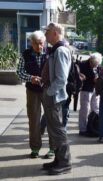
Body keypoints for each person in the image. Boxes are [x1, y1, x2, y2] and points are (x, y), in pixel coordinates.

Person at [16, 30, 54, 159]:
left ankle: (52, 148)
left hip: (48, 90)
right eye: (36, 43)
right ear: (31, 43)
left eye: (41, 43)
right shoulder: (25, 54)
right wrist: (30, 77)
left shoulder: (51, 53)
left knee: (51, 119)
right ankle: (35, 148)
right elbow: (19, 72)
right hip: (32, 91)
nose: (39, 46)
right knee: (34, 120)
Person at [41, 22, 72, 175]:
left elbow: (61, 79)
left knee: (58, 130)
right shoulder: (56, 49)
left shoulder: (60, 50)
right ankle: (58, 160)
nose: (45, 35)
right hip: (53, 95)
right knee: (54, 130)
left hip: (54, 96)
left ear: (55, 33)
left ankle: (65, 162)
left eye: (47, 32)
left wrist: (49, 92)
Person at [78, 53, 102, 136]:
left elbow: (100, 74)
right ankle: (83, 129)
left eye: (95, 64)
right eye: (92, 64)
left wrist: (98, 79)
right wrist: (80, 76)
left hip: (95, 89)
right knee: (85, 109)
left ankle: (94, 127)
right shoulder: (83, 64)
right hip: (86, 89)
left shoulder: (98, 66)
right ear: (90, 60)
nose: (93, 66)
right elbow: (77, 74)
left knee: (96, 108)